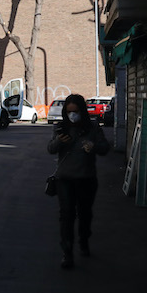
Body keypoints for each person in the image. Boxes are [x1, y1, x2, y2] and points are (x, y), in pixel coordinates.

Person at [46, 94, 109, 269]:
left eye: (76, 112)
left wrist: (93, 147)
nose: (73, 115)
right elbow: (50, 148)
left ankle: (84, 239)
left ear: (82, 111)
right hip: (64, 179)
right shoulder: (60, 128)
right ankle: (67, 253)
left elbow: (105, 148)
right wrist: (59, 141)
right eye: (69, 112)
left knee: (85, 214)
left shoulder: (92, 128)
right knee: (66, 215)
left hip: (86, 179)